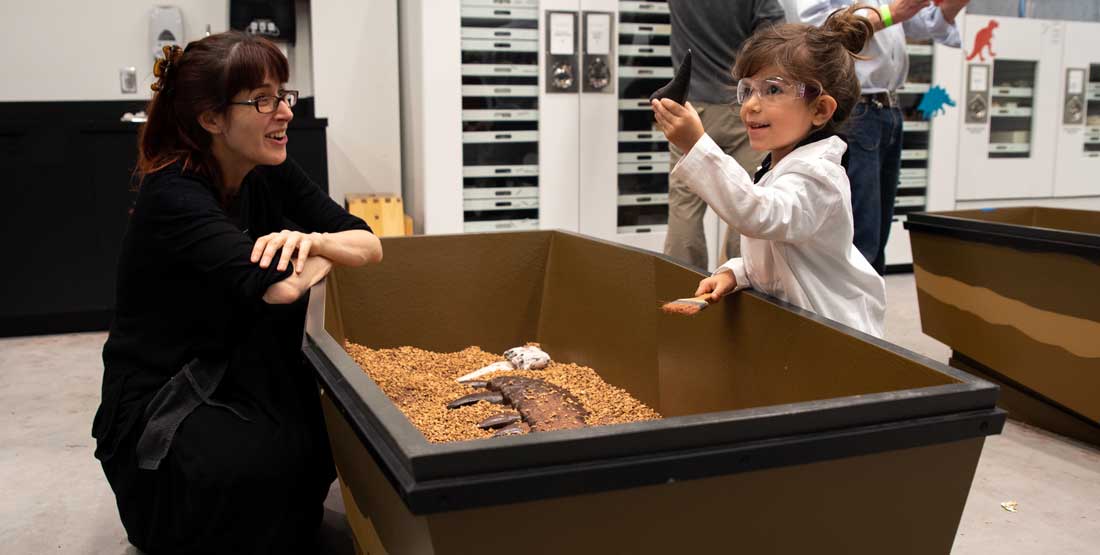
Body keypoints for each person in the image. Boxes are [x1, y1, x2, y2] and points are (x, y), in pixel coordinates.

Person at [90, 32, 382, 554]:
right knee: (246, 470)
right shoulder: (174, 191)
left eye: (283, 95)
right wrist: (319, 255)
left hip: (239, 362)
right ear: (210, 119)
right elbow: (278, 290)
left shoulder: (266, 167)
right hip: (168, 391)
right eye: (262, 100)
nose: (285, 113)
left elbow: (367, 241)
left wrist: (312, 240)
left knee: (318, 446)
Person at [651, 6, 886, 337]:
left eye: (772, 89)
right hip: (795, 331)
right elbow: (781, 255)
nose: (750, 105)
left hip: (833, 337)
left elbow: (761, 215)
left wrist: (696, 145)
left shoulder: (818, 176)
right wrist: (737, 272)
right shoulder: (779, 165)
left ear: (820, 109)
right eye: (747, 90)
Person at [795, 0, 968, 274]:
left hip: (887, 112)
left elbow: (924, 23)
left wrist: (951, 7)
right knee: (860, 235)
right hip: (856, 111)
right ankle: (843, 314)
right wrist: (890, 13)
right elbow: (821, 31)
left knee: (877, 232)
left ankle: (867, 312)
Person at [664, 0, 787, 269]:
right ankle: (738, 292)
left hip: (691, 109)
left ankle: (680, 289)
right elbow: (777, 39)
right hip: (742, 108)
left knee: (685, 207)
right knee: (746, 201)